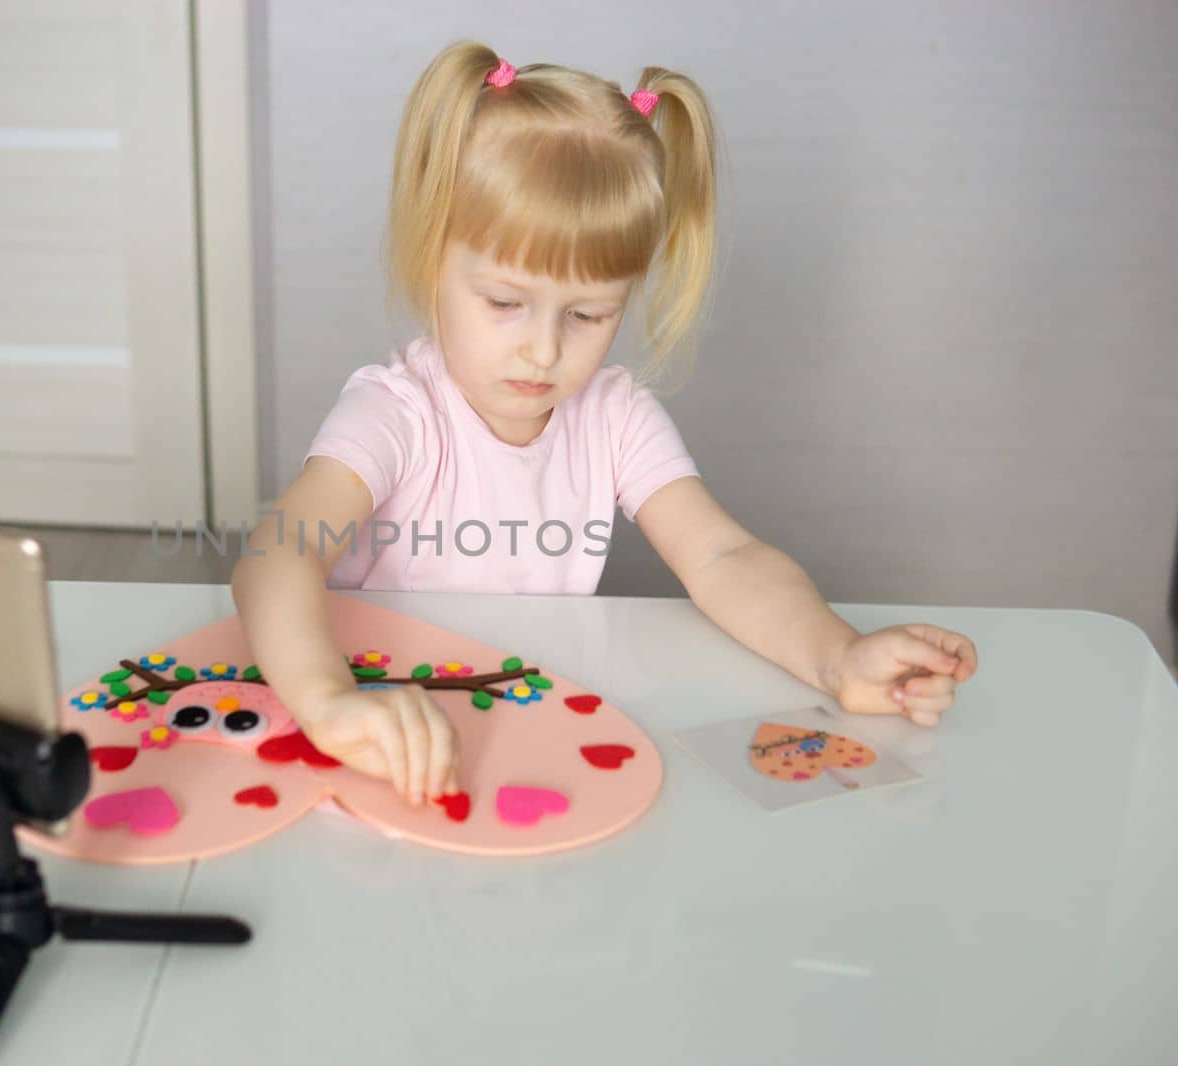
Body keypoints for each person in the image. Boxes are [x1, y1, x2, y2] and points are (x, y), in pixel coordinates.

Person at [231, 41, 978, 806]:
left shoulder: (614, 417)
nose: (544, 348)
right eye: (503, 302)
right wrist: (328, 702)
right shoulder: (397, 413)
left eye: (589, 314)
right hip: (380, 730)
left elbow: (721, 556)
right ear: (432, 258)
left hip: (521, 729)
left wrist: (837, 658)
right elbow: (276, 557)